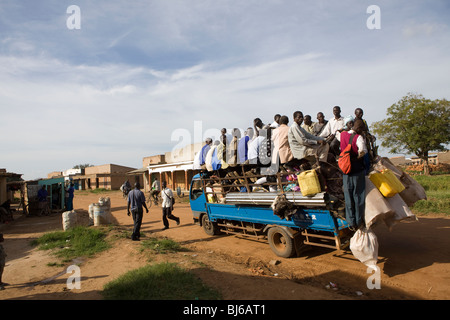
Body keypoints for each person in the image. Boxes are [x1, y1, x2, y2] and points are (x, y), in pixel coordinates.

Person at [337, 116, 368, 231]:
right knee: (358, 196)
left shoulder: (343, 135)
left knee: (348, 196)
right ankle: (359, 221)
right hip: (356, 171)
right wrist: (357, 157)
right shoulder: (358, 137)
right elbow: (362, 151)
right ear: (359, 129)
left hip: (346, 171)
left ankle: (351, 222)